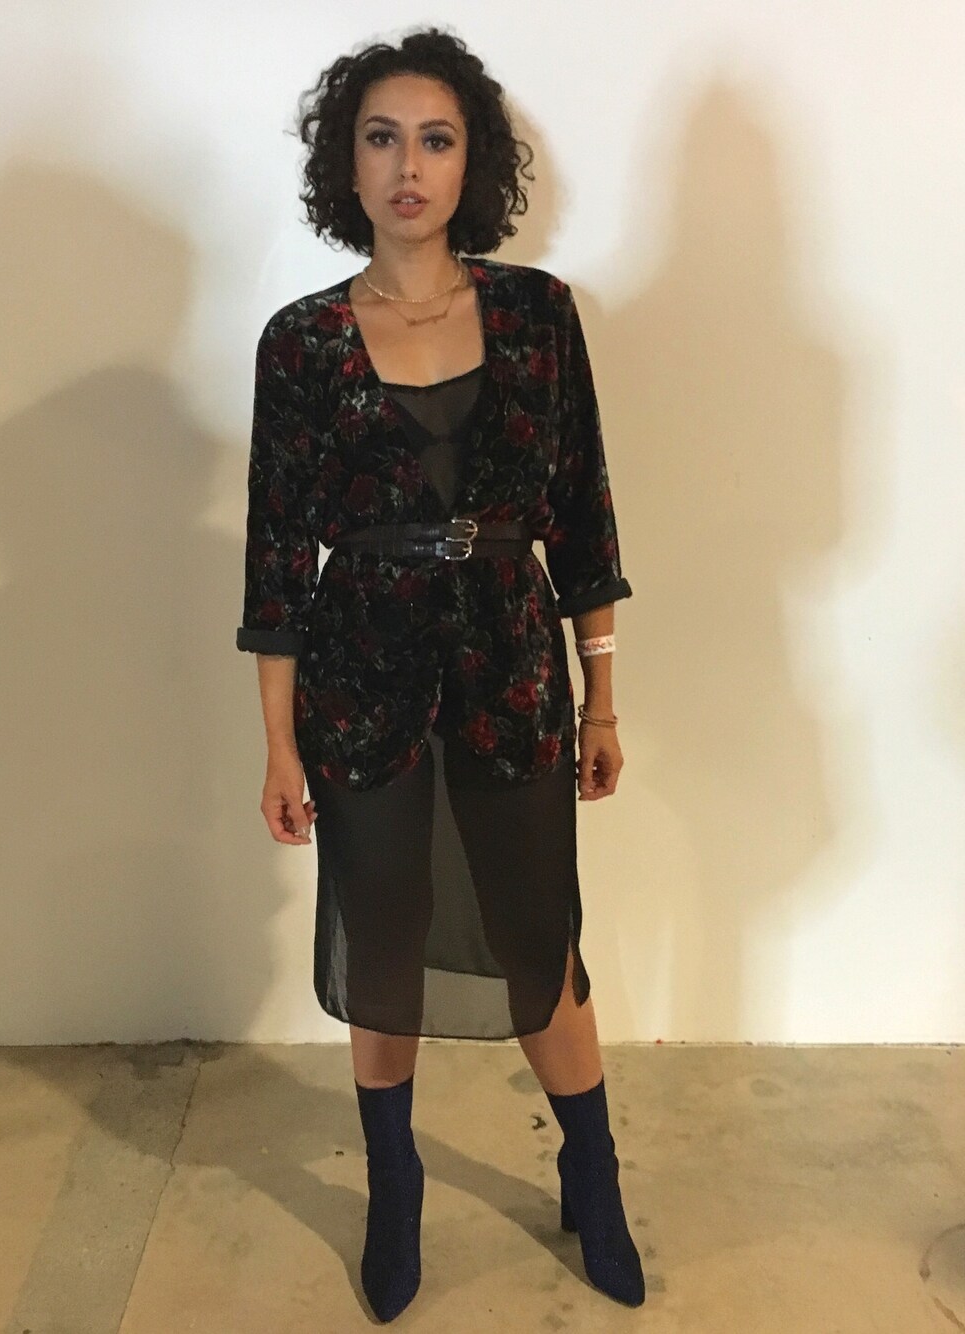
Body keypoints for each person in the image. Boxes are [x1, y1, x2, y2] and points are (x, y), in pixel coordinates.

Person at [236, 25, 645, 1322]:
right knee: (387, 937)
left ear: (472, 163)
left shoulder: (538, 315)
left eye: (435, 138)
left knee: (538, 937)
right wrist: (279, 744)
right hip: (359, 685)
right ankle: (396, 1184)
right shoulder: (301, 343)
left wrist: (603, 694)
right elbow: (275, 561)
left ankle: (593, 1169)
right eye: (381, 138)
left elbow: (582, 517)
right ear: (345, 165)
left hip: (514, 674)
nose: (407, 166)